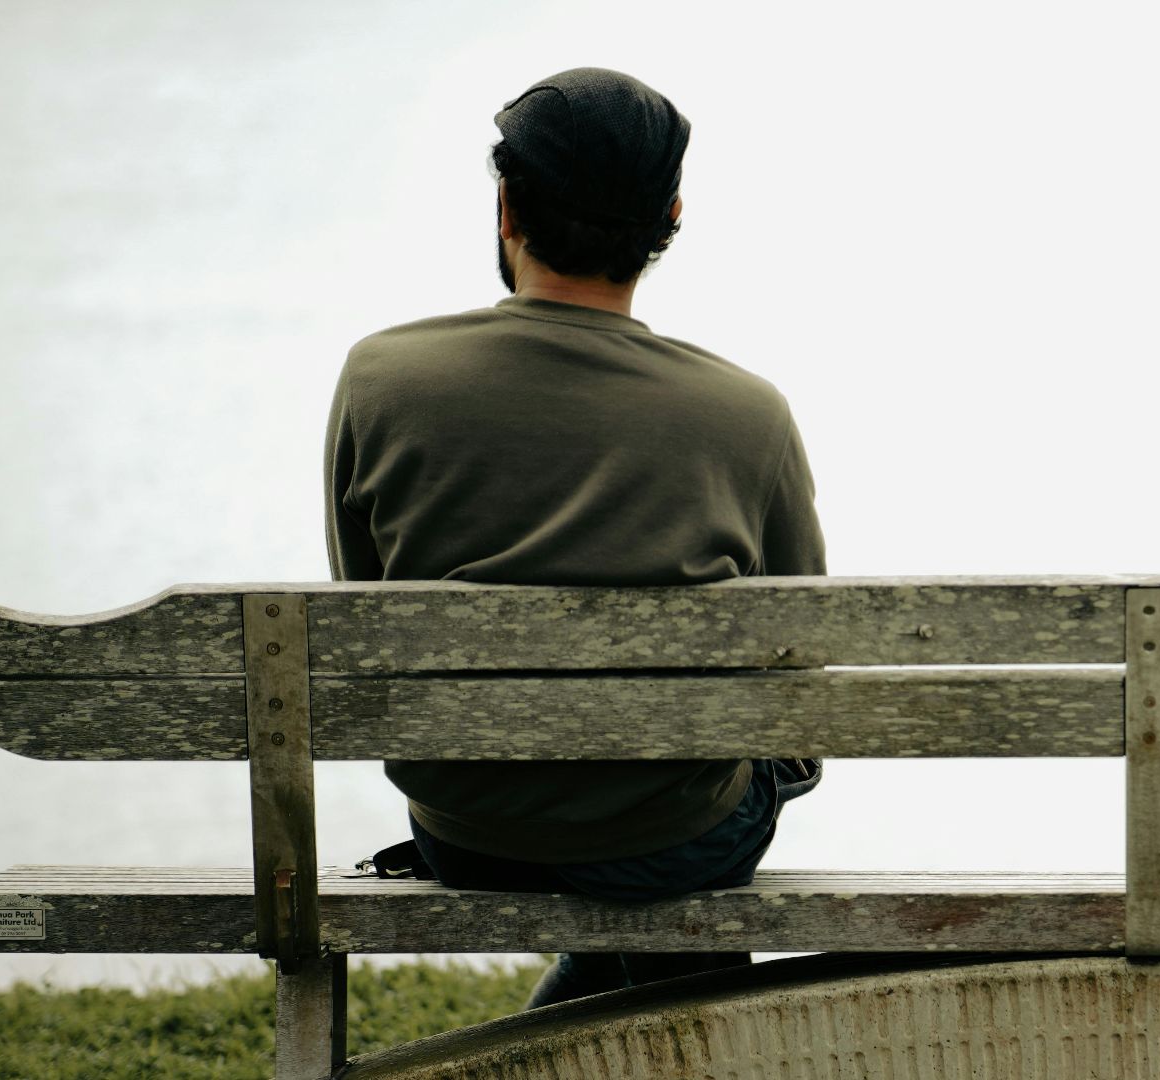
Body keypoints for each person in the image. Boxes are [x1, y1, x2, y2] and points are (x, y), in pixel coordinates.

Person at [321, 67, 826, 1009]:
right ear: (670, 215)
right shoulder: (746, 413)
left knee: (642, 837)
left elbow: (364, 605)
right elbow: (800, 661)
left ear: (507, 205)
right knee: (725, 791)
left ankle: (580, 1041)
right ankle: (699, 1043)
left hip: (467, 827)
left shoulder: (380, 379)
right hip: (679, 836)